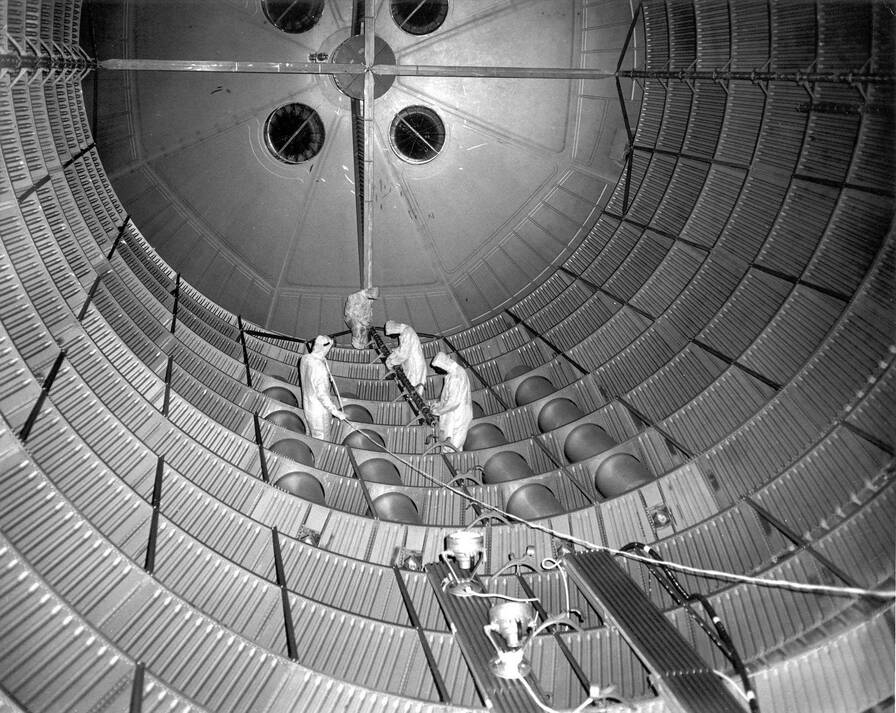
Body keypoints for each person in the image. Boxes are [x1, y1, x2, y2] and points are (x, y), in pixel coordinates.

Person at [299, 335, 346, 440]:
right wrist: (336, 412)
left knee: (311, 433)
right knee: (322, 440)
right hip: (319, 413)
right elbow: (322, 395)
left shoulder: (305, 358)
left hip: (308, 407)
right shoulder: (320, 368)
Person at [429, 352, 473, 451]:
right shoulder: (455, 372)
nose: (437, 372)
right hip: (454, 413)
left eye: (438, 370)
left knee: (453, 446)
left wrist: (437, 411)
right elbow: (448, 395)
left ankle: (453, 463)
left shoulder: (456, 377)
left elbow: (453, 402)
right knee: (449, 442)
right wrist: (439, 404)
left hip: (458, 416)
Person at [384, 320, 427, 395]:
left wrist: (392, 362)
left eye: (391, 334)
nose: (391, 337)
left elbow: (404, 354)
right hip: (412, 363)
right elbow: (402, 348)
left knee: (414, 390)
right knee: (410, 387)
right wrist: (393, 354)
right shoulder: (406, 331)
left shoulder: (407, 332)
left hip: (415, 365)